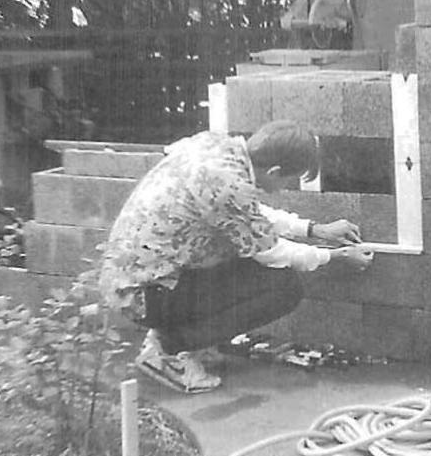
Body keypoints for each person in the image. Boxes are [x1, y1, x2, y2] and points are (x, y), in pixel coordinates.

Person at [99, 120, 373, 393]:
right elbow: (273, 253)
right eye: (289, 180)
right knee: (283, 288)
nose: (286, 187)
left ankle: (176, 339)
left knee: (246, 261)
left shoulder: (217, 147)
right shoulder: (228, 186)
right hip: (144, 295)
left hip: (140, 278)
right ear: (275, 170)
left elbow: (249, 213)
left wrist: (315, 229)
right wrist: (336, 256)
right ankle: (170, 350)